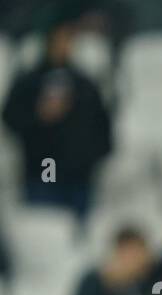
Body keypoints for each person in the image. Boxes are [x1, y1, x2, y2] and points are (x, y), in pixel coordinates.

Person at [2, 20, 113, 218]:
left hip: (78, 176)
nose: (63, 45)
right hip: (45, 169)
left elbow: (102, 129)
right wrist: (39, 115)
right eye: (58, 39)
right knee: (45, 230)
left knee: (77, 240)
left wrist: (88, 161)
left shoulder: (85, 85)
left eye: (67, 39)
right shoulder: (30, 81)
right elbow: (11, 118)